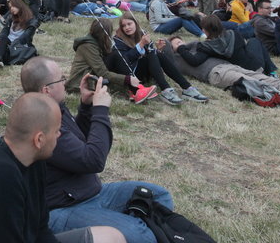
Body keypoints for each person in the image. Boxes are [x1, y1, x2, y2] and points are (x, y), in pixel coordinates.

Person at [22, 57, 176, 243]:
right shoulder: (43, 124)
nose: (65, 82)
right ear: (46, 90)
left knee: (158, 196)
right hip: (66, 208)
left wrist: (86, 107)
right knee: (142, 234)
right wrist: (100, 109)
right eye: (61, 79)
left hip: (94, 192)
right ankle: (123, 230)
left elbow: (79, 143)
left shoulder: (55, 108)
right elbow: (93, 160)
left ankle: (119, 227)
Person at [0, 92, 125, 243]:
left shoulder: (33, 161)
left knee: (111, 237)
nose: (60, 135)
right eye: (56, 131)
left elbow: (40, 230)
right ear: (39, 139)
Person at [172, 37, 280, 111]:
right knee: (261, 88)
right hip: (216, 74)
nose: (180, 43)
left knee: (271, 81)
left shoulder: (195, 47)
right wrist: (175, 46)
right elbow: (182, 57)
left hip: (229, 66)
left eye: (181, 40)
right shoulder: (177, 60)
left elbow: (211, 47)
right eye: (176, 42)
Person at [110, 14, 208, 105]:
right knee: (153, 53)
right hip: (132, 74)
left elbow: (150, 54)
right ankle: (165, 89)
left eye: (129, 24)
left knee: (157, 53)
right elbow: (124, 61)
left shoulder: (142, 34)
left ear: (135, 23)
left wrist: (158, 49)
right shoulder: (118, 39)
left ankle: (187, 88)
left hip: (144, 71)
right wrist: (141, 45)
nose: (127, 27)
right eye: (124, 26)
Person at [67, 18, 158, 102]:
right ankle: (136, 91)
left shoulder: (96, 42)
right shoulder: (87, 46)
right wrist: (127, 79)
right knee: (115, 54)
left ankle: (136, 90)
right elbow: (102, 72)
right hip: (81, 82)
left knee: (116, 53)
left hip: (93, 74)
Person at [0, 0, 39, 67]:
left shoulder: (31, 21)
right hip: (7, 44)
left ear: (21, 6)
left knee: (2, 43)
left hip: (18, 46)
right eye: (10, 7)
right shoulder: (11, 19)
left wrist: (9, 44)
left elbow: (24, 38)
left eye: (14, 6)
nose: (11, 9)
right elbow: (4, 31)